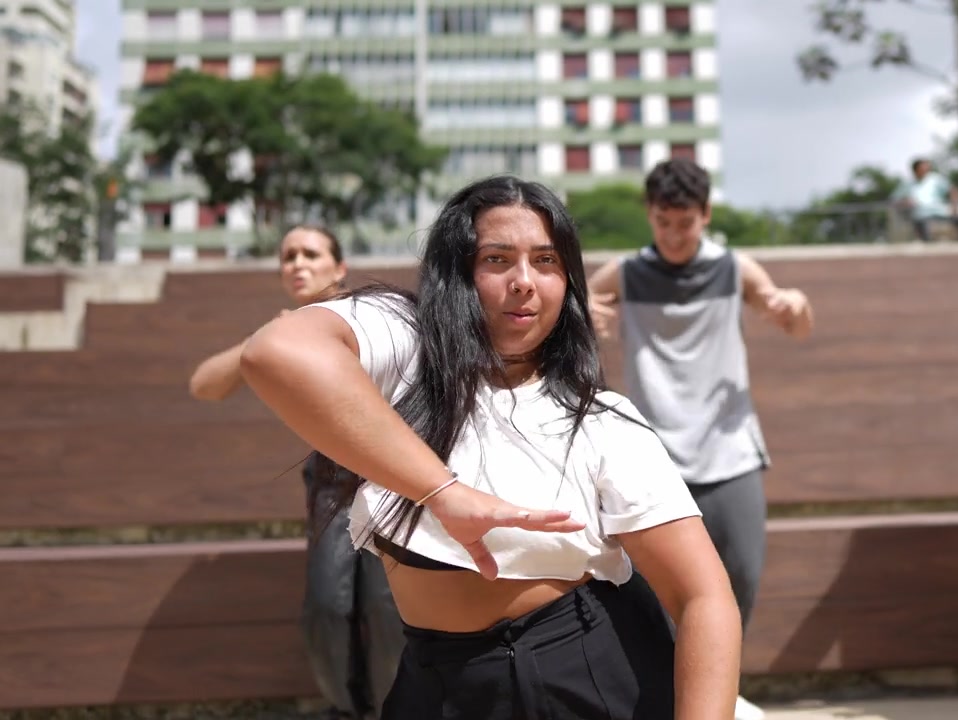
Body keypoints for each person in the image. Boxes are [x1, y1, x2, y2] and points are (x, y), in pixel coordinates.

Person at [237, 175, 743, 720]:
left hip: (587, 672)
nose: (524, 281)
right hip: (435, 681)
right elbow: (274, 353)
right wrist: (444, 493)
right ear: (457, 271)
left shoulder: (602, 420)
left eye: (546, 261)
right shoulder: (403, 346)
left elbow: (705, 598)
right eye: (497, 259)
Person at [587, 158, 814, 720]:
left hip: (728, 449)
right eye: (663, 222)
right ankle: (673, 695)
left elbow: (794, 321)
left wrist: (794, 307)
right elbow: (573, 309)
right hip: (652, 455)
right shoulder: (627, 273)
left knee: (741, 575)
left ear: (706, 214)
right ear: (649, 214)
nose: (673, 235)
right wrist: (583, 311)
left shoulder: (735, 269)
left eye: (685, 222)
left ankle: (720, 689)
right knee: (655, 589)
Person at [188, 225, 403, 719]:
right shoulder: (283, 333)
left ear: (339, 266)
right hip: (333, 484)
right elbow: (205, 385)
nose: (298, 264)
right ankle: (348, 710)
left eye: (310, 253)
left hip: (394, 479)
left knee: (386, 608)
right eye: (288, 256)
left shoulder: (371, 315)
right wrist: (266, 338)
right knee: (327, 607)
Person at [890, 157, 958, 242]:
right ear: (915, 170)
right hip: (921, 215)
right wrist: (905, 202)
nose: (925, 171)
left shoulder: (935, 178)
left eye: (927, 168)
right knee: (923, 228)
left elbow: (953, 190)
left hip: (940, 211)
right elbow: (894, 200)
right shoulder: (907, 183)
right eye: (922, 169)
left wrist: (955, 207)